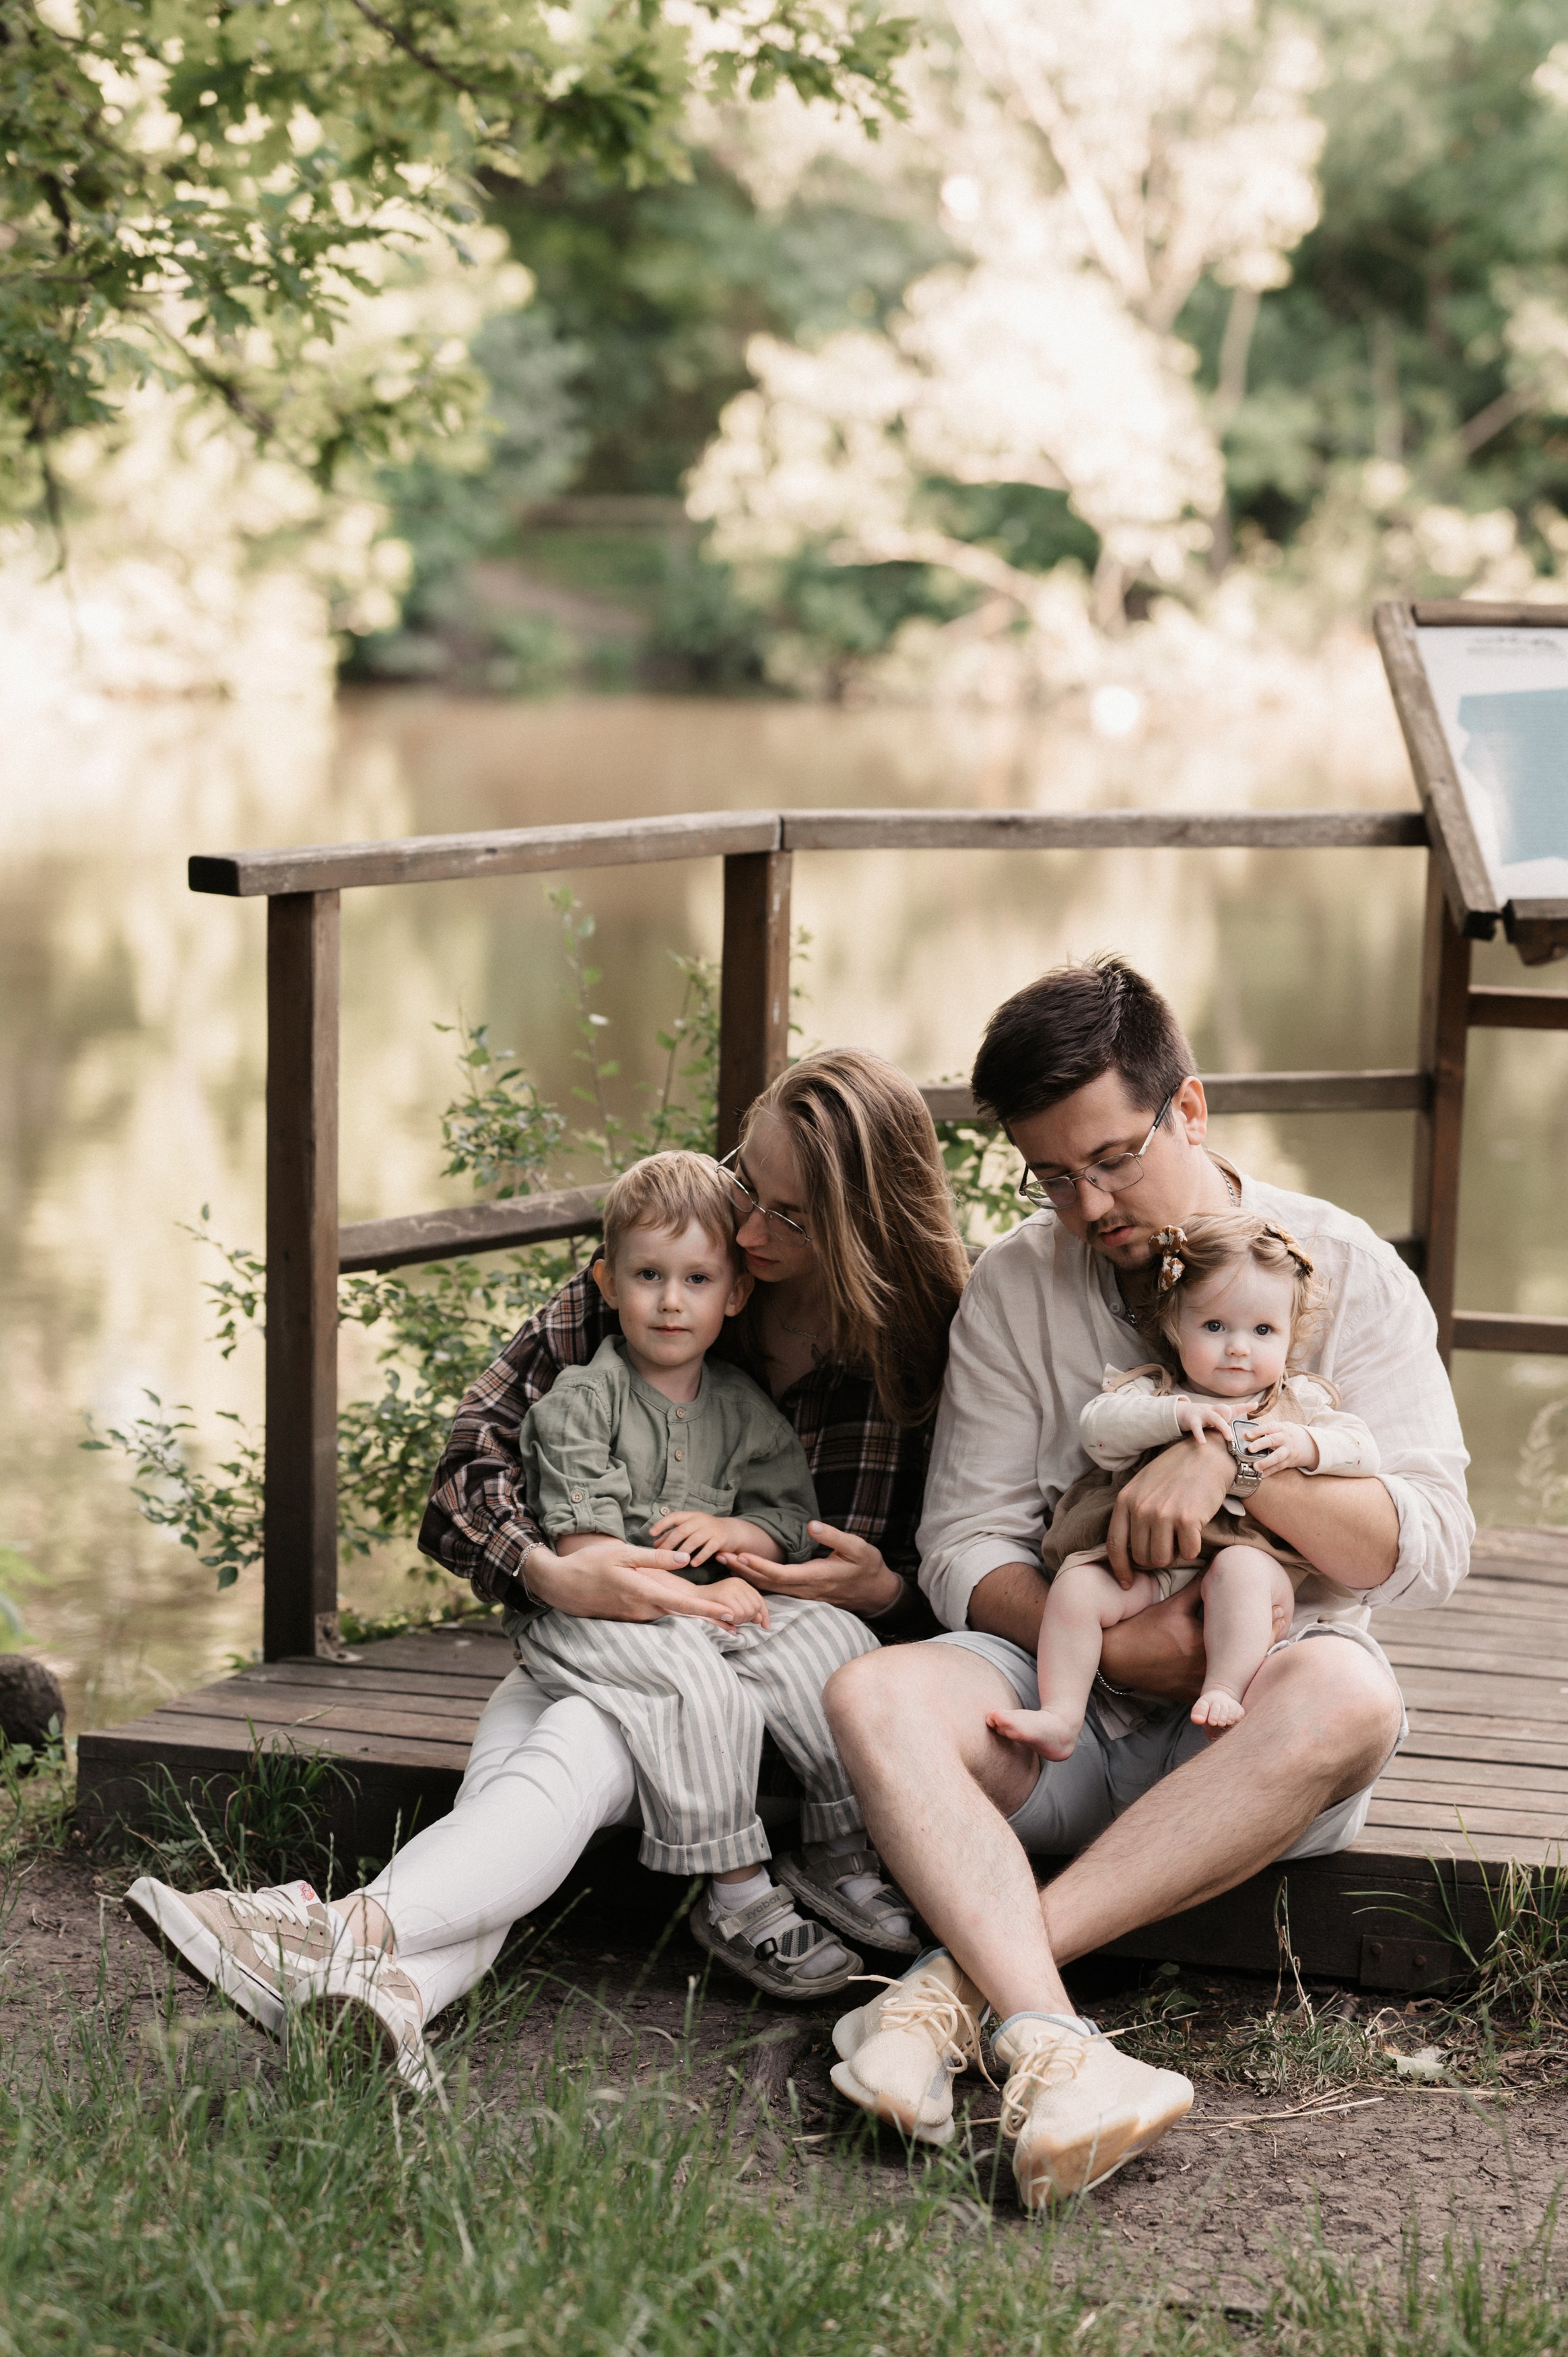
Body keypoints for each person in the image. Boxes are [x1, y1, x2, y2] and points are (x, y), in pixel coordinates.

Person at [125, 1049, 971, 2090]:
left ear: (860, 1228)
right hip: (620, 1644)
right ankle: (380, 1983)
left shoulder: (929, 1343)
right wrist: (551, 1571)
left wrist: (883, 1594)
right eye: (750, 1185)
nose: (745, 1232)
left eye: (786, 1218)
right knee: (584, 1733)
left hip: (776, 1712)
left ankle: (321, 1930)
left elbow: (967, 1589)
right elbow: (468, 1466)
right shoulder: (673, 1245)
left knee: (582, 1735)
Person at [823, 958, 1470, 2212]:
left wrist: (1218, 1454)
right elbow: (959, 1544)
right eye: (1051, 1175)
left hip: (1253, 1720)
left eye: (1112, 1158)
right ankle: (1058, 2048)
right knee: (871, 1697)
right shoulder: (1017, 1285)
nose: (1086, 1202)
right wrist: (1109, 1654)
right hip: (1065, 1695)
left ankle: (959, 1991)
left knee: (1352, 1702)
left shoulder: (1341, 1267)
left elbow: (1425, 1545)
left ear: (1188, 1109)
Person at [512, 1147, 897, 1998]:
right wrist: (701, 1592)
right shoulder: (584, 1398)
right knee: (699, 1684)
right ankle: (733, 1890)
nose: (671, 1299)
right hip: (601, 1615)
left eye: (696, 1278)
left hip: (707, 1601)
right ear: (607, 1283)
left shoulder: (738, 1405)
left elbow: (790, 1523)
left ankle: (840, 1850)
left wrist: (734, 1533)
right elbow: (587, 1555)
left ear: (735, 1293)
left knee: (835, 1640)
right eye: (648, 1274)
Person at [989, 1208, 1382, 1760]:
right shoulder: (1153, 1393)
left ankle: (1224, 1686)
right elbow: (1097, 1433)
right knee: (1076, 1589)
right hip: (1148, 1567)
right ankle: (1060, 1714)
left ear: (1291, 1336)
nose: (1238, 1347)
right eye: (1214, 1327)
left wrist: (1307, 1447)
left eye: (1262, 1330)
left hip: (1245, 1559)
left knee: (1242, 1574)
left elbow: (1364, 1451)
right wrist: (1171, 1418)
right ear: (1174, 1326)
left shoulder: (1301, 1404)